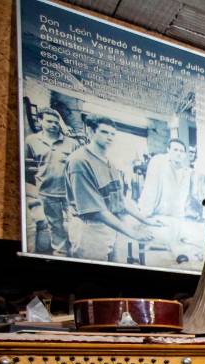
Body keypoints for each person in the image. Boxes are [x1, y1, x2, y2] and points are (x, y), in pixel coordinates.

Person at [65, 116, 156, 261]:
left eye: (113, 134)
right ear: (90, 131)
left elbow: (120, 199)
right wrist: (131, 232)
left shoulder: (109, 161)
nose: (110, 137)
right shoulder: (79, 161)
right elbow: (95, 211)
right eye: (104, 132)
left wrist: (145, 220)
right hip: (90, 229)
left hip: (111, 225)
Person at [24, 108, 76, 254]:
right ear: (40, 121)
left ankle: (77, 254)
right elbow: (27, 168)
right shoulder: (31, 141)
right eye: (49, 121)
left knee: (76, 225)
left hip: (70, 193)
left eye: (56, 122)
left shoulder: (71, 143)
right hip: (46, 192)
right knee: (56, 227)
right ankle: (61, 255)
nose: (53, 125)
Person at [137, 138, 193, 218]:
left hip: (172, 215)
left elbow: (183, 196)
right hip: (153, 213)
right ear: (168, 150)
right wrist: (146, 213)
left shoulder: (185, 171)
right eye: (175, 150)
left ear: (184, 154)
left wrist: (180, 215)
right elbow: (150, 188)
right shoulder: (158, 161)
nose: (178, 153)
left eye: (181, 151)